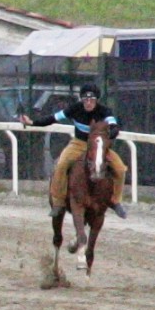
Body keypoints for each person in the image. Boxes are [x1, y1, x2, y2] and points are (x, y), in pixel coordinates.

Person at [20, 83, 129, 219]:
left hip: (98, 146)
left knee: (120, 169)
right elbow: (52, 118)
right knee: (60, 166)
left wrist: (108, 136)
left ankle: (115, 201)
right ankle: (58, 202)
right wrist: (32, 122)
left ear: (97, 100)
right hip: (78, 144)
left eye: (92, 100)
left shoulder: (104, 111)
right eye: (85, 100)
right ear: (81, 100)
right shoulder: (74, 109)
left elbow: (114, 127)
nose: (88, 103)